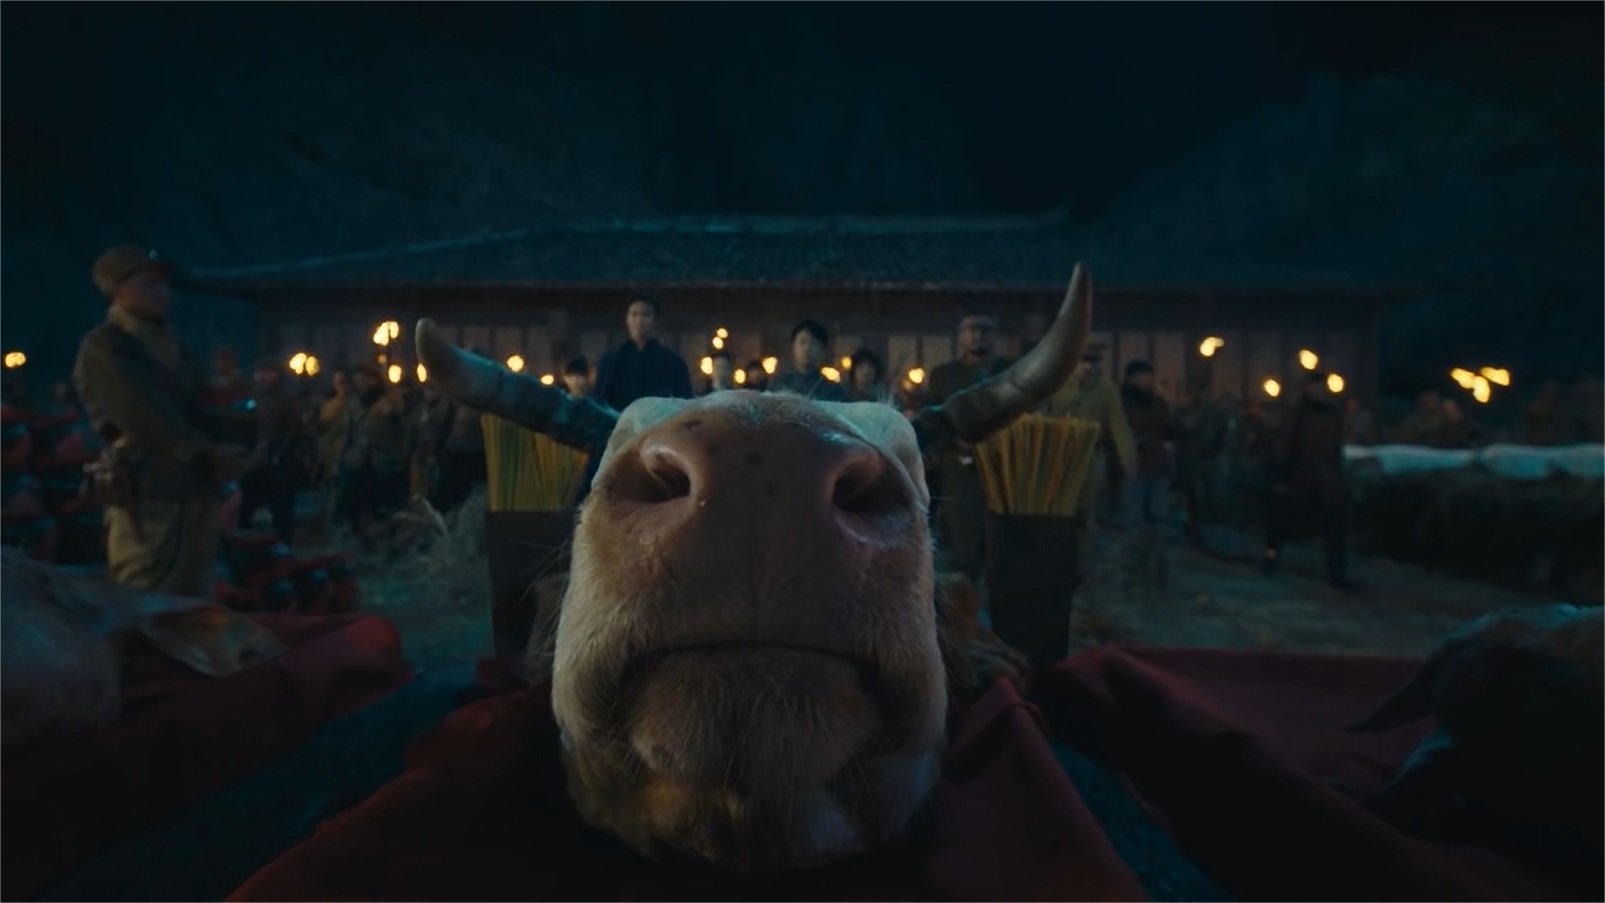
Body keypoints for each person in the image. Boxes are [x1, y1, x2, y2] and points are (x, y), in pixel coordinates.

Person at [72, 245, 243, 598]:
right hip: (148, 493)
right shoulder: (106, 346)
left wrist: (248, 431)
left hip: (194, 490)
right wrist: (207, 450)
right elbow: (142, 414)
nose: (163, 292)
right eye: (149, 283)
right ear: (120, 290)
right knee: (144, 595)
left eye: (163, 284)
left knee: (194, 602)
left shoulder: (173, 345)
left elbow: (201, 405)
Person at [925, 310, 1008, 582]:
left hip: (1005, 469)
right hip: (960, 469)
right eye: (970, 329)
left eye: (984, 329)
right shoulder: (944, 376)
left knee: (1004, 543)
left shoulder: (1008, 372)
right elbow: (933, 419)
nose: (977, 336)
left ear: (995, 336)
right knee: (964, 542)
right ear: (960, 336)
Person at [1040, 344, 1137, 573]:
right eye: (1082, 361)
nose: (1087, 367)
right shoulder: (1056, 385)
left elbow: (1119, 426)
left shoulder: (1106, 390)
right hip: (1057, 458)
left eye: (1092, 361)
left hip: (1091, 458)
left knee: (1085, 515)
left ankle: (1081, 566)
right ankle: (1054, 564)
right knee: (1055, 513)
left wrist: (1128, 460)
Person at [1265, 371, 1358, 591]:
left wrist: (1339, 476)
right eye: (1315, 387)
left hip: (1326, 480)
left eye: (1321, 387)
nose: (1319, 391)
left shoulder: (1333, 414)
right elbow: (1284, 445)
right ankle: (1271, 560)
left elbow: (1335, 447)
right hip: (1301, 477)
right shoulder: (1297, 413)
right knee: (1280, 524)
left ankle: (1337, 574)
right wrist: (1281, 476)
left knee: (1334, 529)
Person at [1117, 360, 1178, 590]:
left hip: (1158, 466)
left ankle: (1155, 570)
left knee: (1159, 519)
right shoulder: (1121, 402)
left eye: (1149, 376)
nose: (1148, 381)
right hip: (1134, 466)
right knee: (1135, 521)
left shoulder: (1158, 403)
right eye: (1143, 376)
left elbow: (1168, 428)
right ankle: (1132, 571)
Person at [238, 359, 304, 543]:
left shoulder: (286, 399)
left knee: (281, 506)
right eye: (261, 372)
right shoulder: (254, 397)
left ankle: (282, 543)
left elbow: (295, 429)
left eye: (267, 372)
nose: (263, 376)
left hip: (278, 459)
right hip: (255, 458)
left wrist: (280, 452)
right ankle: (246, 540)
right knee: (247, 502)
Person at [592, 295, 693, 411]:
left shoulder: (673, 362)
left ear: (655, 321)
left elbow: (685, 404)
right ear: (627, 319)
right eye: (634, 314)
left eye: (645, 315)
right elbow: (599, 401)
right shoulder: (611, 360)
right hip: (619, 420)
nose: (639, 320)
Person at [770, 321, 851, 402]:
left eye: (814, 343)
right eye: (802, 342)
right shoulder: (779, 385)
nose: (807, 348)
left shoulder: (833, 390)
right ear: (793, 347)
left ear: (823, 350)